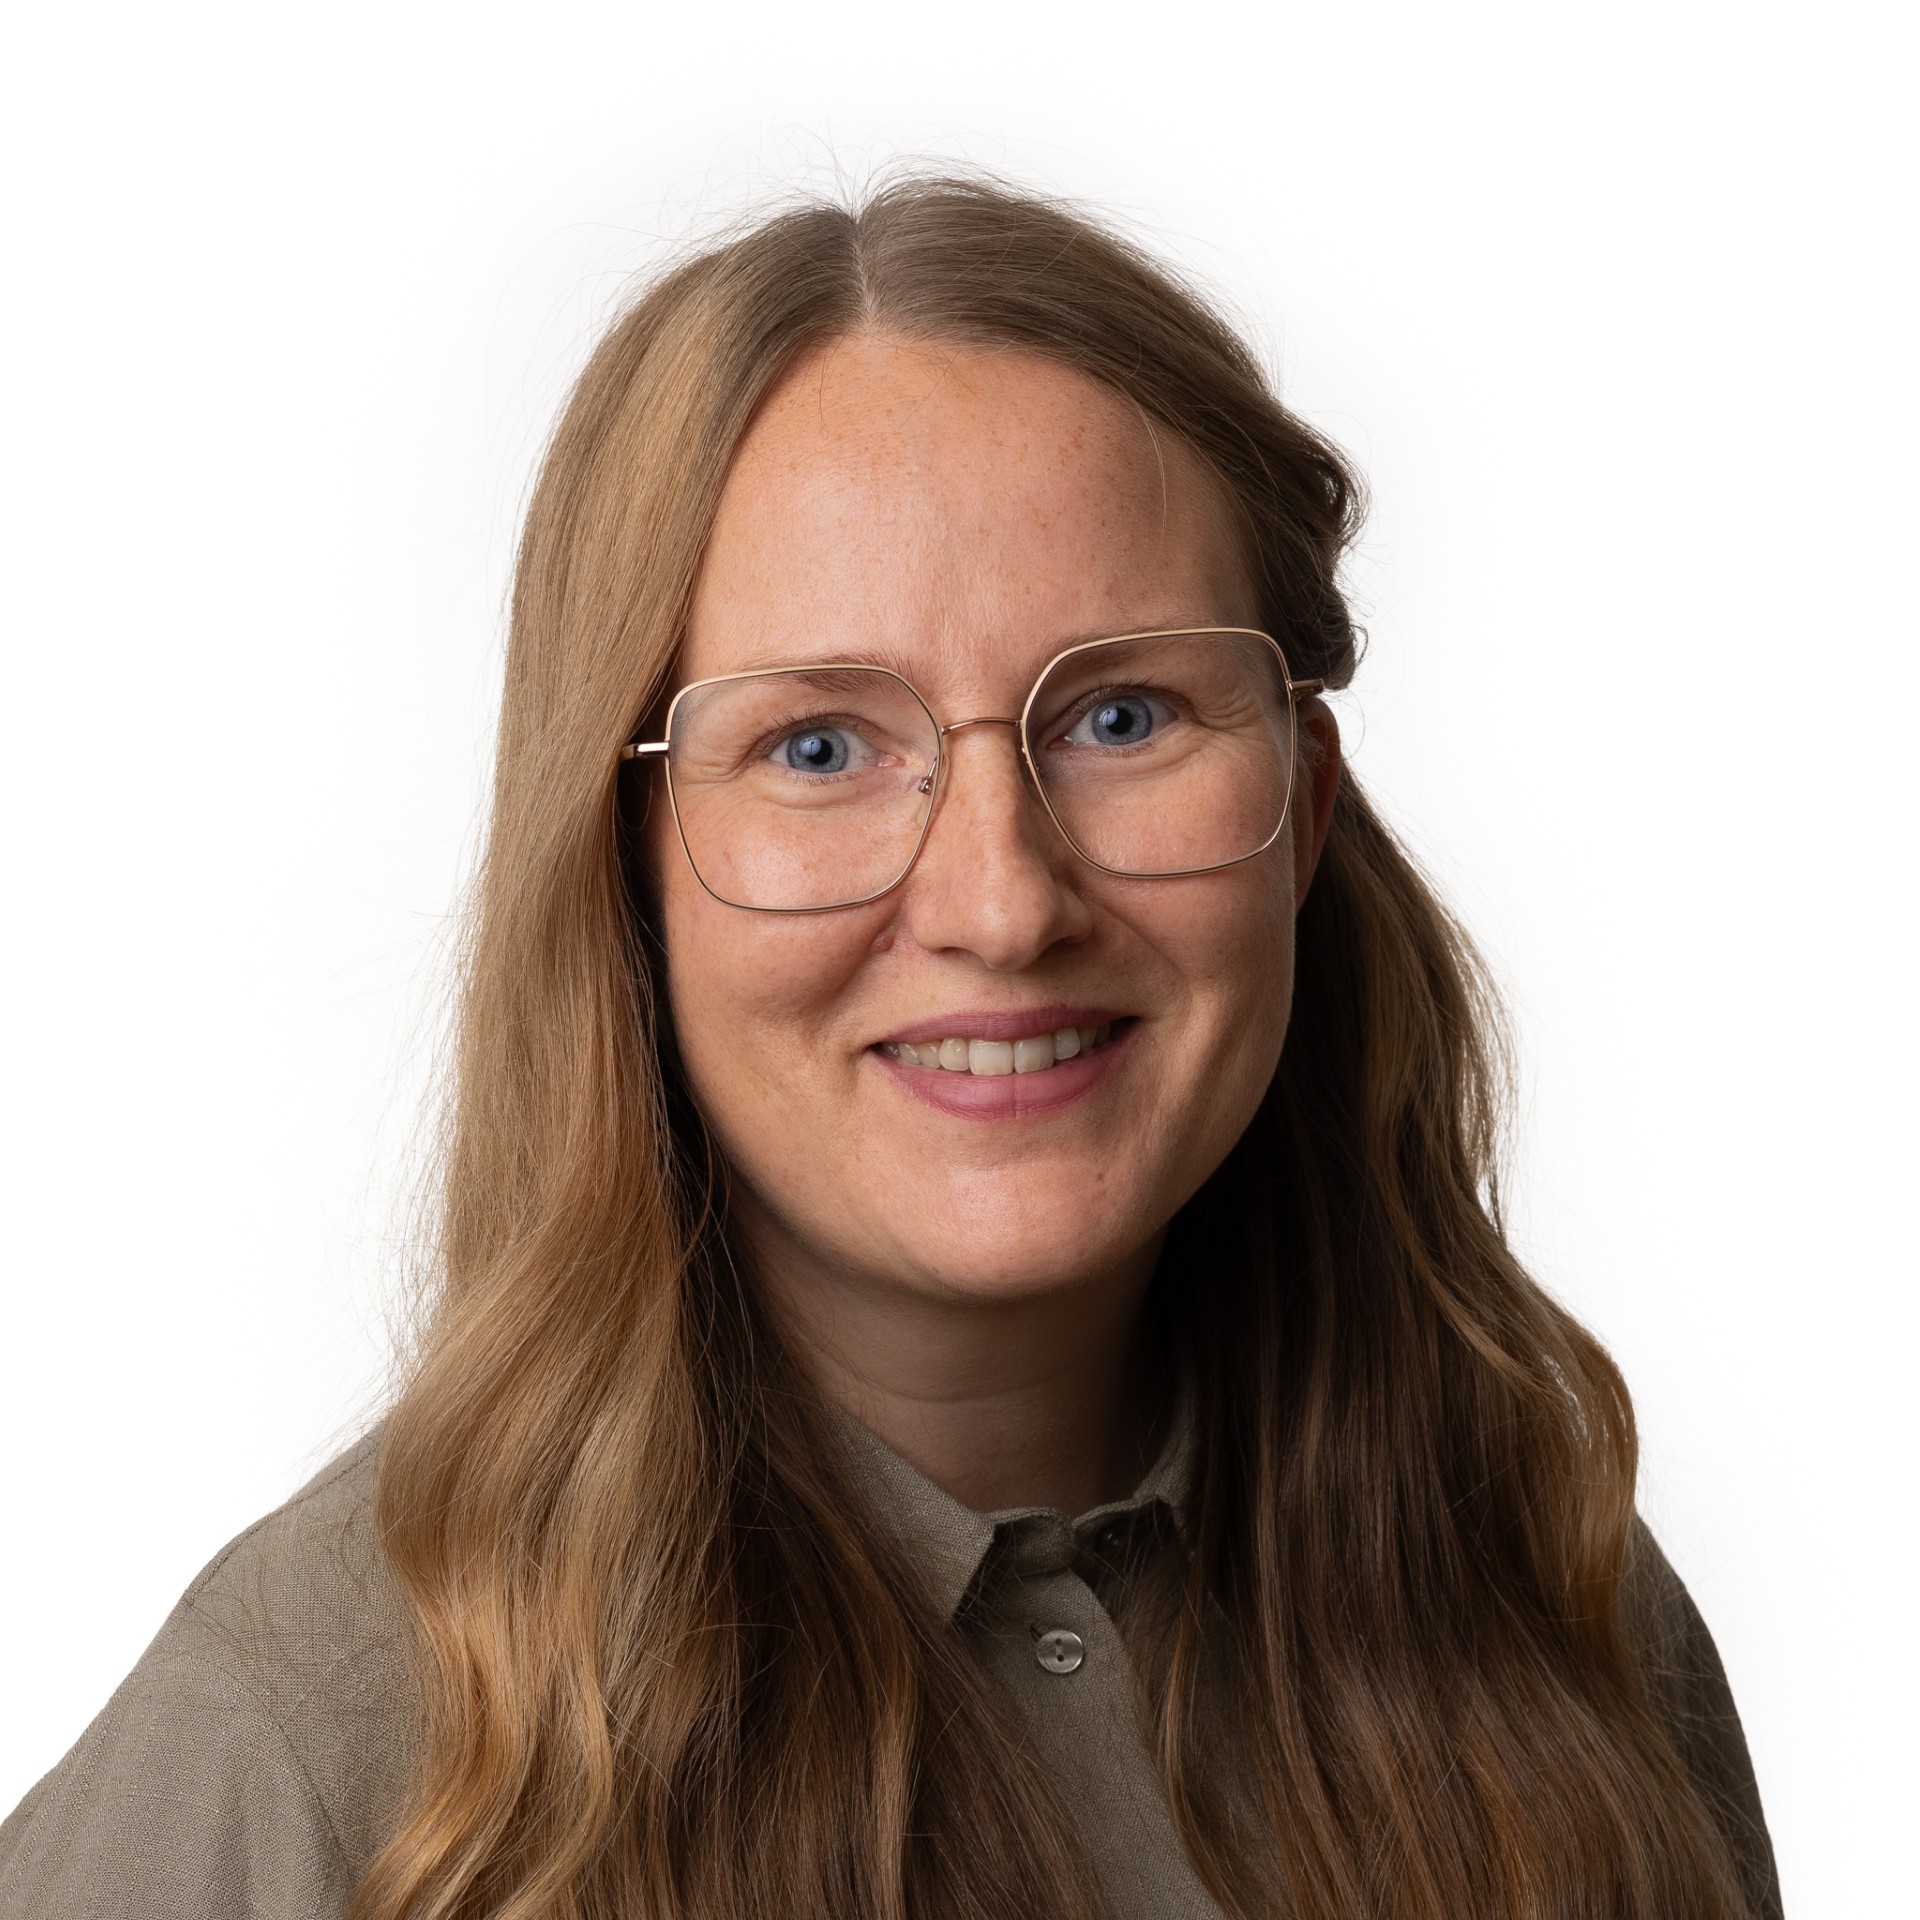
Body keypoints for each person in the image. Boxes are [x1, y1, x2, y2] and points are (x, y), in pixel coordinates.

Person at [0, 175, 1780, 1920]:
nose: (1003, 904)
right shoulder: (315, 1756)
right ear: (623, 867)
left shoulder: (1570, 1627)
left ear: (1301, 811)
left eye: (1121, 715)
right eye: (820, 751)